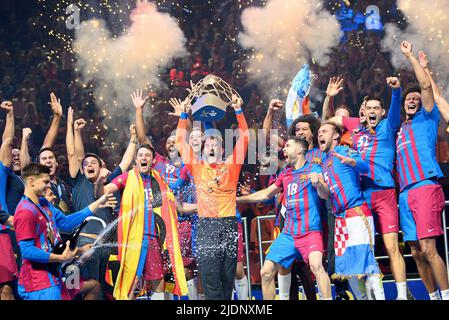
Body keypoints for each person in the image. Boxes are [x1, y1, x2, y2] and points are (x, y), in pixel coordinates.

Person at [328, 77, 408, 299]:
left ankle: (401, 295)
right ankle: (371, 295)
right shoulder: (357, 127)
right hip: (362, 196)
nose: (373, 111)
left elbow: (394, 108)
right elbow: (329, 119)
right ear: (363, 111)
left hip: (384, 193)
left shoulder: (388, 125)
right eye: (368, 108)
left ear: (381, 112)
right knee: (365, 249)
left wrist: (396, 91)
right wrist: (329, 98)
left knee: (392, 246)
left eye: (376, 108)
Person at [237, 136, 332, 300]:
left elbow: (325, 195)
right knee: (265, 272)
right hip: (288, 234)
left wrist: (319, 185)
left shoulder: (314, 168)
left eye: (287, 146)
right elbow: (266, 193)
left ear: (299, 150)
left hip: (310, 232)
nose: (283, 149)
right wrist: (237, 199)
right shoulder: (285, 174)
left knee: (317, 266)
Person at [175, 94, 249, 300]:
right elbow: (181, 141)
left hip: (228, 225)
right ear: (203, 149)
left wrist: (239, 111)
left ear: (222, 149)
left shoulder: (232, 166)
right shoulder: (197, 167)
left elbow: (244, 137)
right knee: (209, 275)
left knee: (227, 277)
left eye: (215, 143)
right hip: (206, 226)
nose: (211, 146)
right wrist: (183, 114)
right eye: (207, 144)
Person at [99, 144, 196, 300]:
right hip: (134, 241)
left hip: (154, 240)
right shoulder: (127, 177)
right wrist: (99, 182)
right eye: (140, 155)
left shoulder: (160, 181)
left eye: (147, 155)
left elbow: (180, 206)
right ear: (136, 160)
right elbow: (103, 191)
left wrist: (204, 206)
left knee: (158, 283)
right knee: (131, 283)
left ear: (152, 161)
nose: (143, 158)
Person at [13, 163, 116, 300]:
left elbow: (66, 223)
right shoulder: (25, 212)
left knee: (93, 286)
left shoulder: (43, 203)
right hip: (38, 282)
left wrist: (96, 205)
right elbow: (27, 250)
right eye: (45, 182)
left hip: (54, 276)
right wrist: (60, 258)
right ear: (31, 182)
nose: (48, 186)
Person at [395, 41, 448, 300]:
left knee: (429, 248)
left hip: (424, 186)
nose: (413, 100)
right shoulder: (399, 129)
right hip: (404, 194)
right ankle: (432, 297)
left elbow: (426, 87)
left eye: (416, 98)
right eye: (409, 98)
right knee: (415, 251)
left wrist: (410, 56)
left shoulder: (427, 118)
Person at [66, 106, 137, 299]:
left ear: (101, 167)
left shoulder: (108, 183)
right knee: (86, 288)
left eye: (93, 163)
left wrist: (133, 138)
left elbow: (126, 161)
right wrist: (74, 129)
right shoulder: (79, 181)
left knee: (100, 290)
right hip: (85, 243)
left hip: (104, 245)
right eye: (86, 164)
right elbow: (75, 155)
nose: (89, 165)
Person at [317, 121, 385, 300]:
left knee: (366, 263)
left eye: (324, 131)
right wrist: (318, 185)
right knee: (347, 268)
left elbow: (366, 167)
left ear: (335, 136)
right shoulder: (324, 162)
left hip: (356, 213)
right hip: (340, 219)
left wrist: (352, 161)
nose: (320, 135)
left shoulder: (344, 151)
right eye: (318, 133)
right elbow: (326, 195)